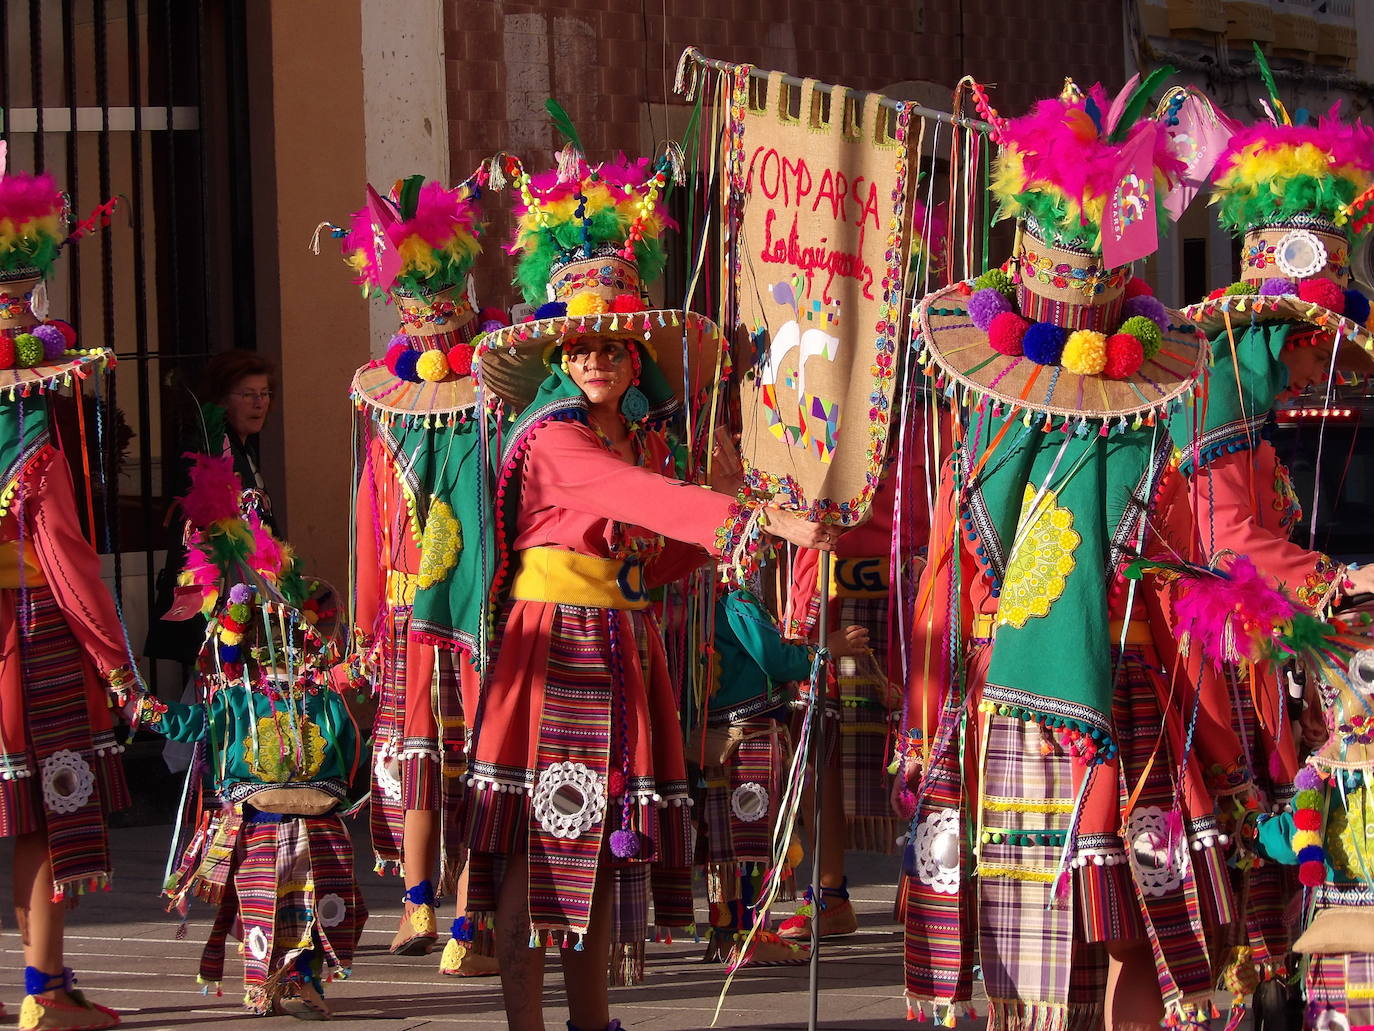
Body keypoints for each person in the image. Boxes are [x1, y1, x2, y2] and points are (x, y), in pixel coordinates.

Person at [468, 145, 836, 1031]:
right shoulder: (556, 440)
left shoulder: (633, 443)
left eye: (613, 345)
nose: (595, 358)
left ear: (637, 360)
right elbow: (651, 505)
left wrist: (726, 540)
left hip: (618, 644)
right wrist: (761, 521)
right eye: (581, 344)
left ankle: (591, 1021)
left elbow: (649, 554)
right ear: (564, 353)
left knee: (592, 852)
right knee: (536, 851)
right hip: (555, 648)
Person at [900, 81, 1235, 1030]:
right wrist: (930, 709)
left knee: (1130, 924)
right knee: (1033, 937)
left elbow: (1175, 578)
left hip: (1114, 688)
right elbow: (948, 574)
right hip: (1024, 695)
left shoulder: (1147, 425)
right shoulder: (991, 425)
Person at [1174, 96, 1374, 1023]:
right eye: (1315, 349)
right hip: (1198, 663)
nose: (1319, 370)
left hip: (1247, 654)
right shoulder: (1220, 388)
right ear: (1287, 333)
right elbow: (1223, 540)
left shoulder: (1248, 405)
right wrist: (1341, 581)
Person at [333, 171, 499, 971]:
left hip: (473, 602)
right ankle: (417, 898)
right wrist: (368, 626)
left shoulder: (487, 414)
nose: (432, 358)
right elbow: (371, 533)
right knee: (419, 751)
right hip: (407, 612)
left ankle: (469, 909)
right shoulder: (385, 429)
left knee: (478, 755)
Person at [141, 446, 365, 1016]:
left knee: (322, 903)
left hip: (319, 815)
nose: (289, 652)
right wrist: (147, 711)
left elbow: (354, 687)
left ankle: (306, 979)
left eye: (300, 640)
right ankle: (262, 980)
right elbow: (196, 721)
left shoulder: (320, 689)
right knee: (262, 904)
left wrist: (371, 658)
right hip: (257, 816)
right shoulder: (236, 694)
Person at [0, 166, 142, 1031]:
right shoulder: (38, 453)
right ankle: (44, 991)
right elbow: (64, 553)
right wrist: (118, 663)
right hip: (31, 626)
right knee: (45, 819)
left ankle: (47, 986)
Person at [700, 580, 867, 965]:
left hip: (723, 734)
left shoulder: (706, 601)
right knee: (753, 841)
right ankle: (750, 935)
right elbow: (777, 660)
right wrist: (827, 649)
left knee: (728, 843)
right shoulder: (737, 601)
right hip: (751, 736)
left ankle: (730, 933)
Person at [144, 349, 277, 673]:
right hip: (217, 593)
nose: (259, 403)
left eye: (264, 394)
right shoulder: (210, 448)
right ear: (222, 401)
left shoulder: (242, 447)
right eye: (248, 395)